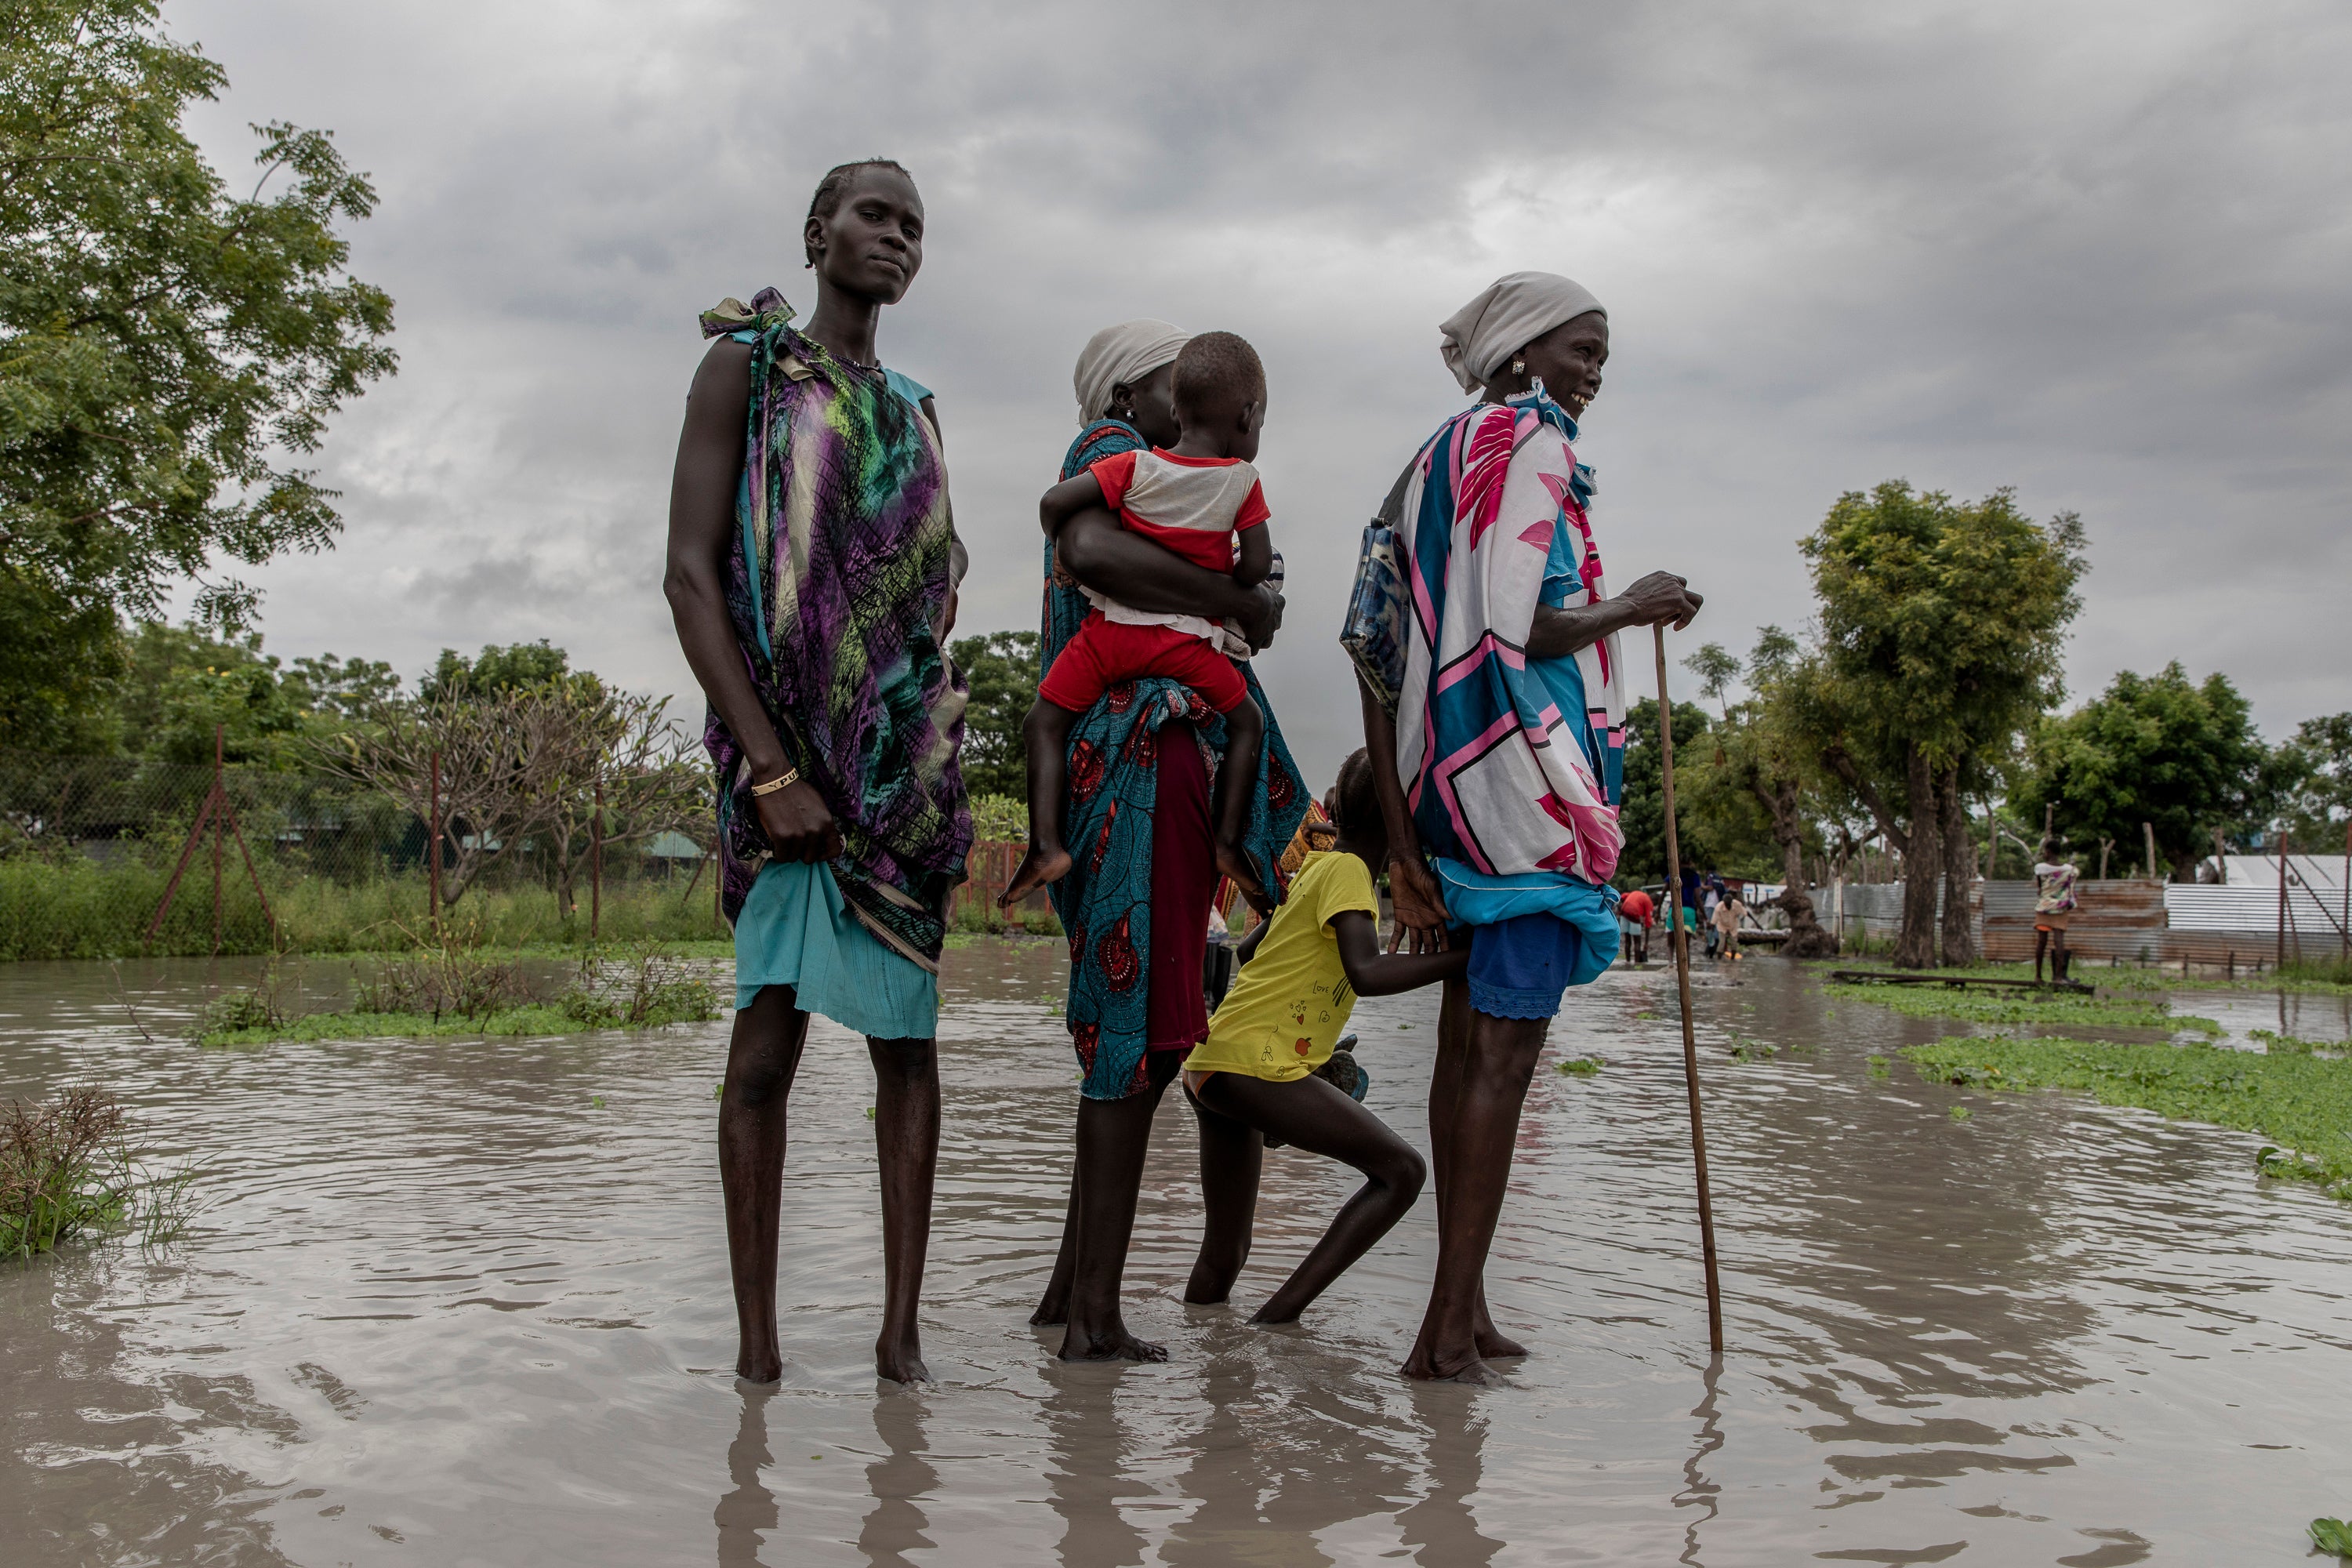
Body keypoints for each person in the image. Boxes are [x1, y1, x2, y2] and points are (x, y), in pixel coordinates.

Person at [1356, 271, 1704, 1383]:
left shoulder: (1430, 463)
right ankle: (1446, 1335)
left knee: (1467, 1058)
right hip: (1525, 803)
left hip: (1452, 800)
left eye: (1605, 353)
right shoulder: (1533, 446)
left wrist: (1407, 839)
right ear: (1519, 355)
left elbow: (1373, 645)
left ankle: (1466, 1309)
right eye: (1580, 348)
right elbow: (1524, 625)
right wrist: (1634, 604)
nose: (1595, 370)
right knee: (1501, 1067)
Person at [663, 159, 969, 1385]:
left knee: (910, 1051)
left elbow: (938, 578)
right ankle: (758, 1356)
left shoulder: (920, 407)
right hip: (782, 768)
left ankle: (901, 1343)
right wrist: (772, 767)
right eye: (873, 216)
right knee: (763, 1055)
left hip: (900, 770)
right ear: (816, 232)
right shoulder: (744, 368)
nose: (894, 238)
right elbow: (693, 576)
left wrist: (909, 724)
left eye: (913, 226)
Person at [1025, 320, 1312, 1361]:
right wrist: (1235, 600)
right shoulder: (1107, 456)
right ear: (1127, 397)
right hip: (1139, 764)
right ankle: (1095, 1318)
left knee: (1134, 1024)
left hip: (1131, 768)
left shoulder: (1167, 485)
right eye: (1167, 391)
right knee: (1132, 1031)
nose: (1183, 413)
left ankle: (1071, 1294)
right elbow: (1088, 547)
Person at [1181, 750, 1461, 1323]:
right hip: (1257, 1065)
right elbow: (1367, 972)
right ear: (1398, 824)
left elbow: (1253, 949)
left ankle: (1207, 1350)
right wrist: (1463, 958)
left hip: (1214, 1058)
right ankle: (1277, 1320)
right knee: (1402, 1172)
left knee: (1227, 1249)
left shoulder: (1320, 866)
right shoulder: (1351, 872)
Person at [1005, 332, 1274, 909]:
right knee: (1249, 724)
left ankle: (1043, 845)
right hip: (1186, 652)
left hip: (1111, 641)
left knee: (1042, 722)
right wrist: (1243, 595)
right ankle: (1230, 845)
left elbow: (1055, 508)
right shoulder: (1120, 445)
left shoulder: (1134, 468)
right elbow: (1252, 569)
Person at [2033, 842, 2078, 982]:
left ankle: (2038, 976)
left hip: (2044, 909)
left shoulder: (2040, 868)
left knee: (2042, 942)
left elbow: (2040, 888)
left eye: (2045, 851)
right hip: (2061, 909)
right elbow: (2070, 887)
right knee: (2059, 942)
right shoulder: (2070, 870)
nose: (2044, 854)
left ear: (2049, 851)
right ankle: (2058, 977)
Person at [1617, 885, 1655, 965]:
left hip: (1624, 913)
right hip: (1634, 914)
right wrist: (1646, 943)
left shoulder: (1635, 893)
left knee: (1628, 941)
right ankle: (1637, 964)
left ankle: (1627, 962)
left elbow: (1623, 896)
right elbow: (1648, 922)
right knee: (1637, 941)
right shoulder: (1648, 902)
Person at [1714, 891, 1744, 962]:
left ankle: (1732, 959)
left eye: (1729, 905)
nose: (1727, 906)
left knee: (1734, 943)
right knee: (1721, 943)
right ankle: (1719, 959)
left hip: (1732, 925)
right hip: (1722, 925)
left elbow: (1745, 913)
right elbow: (1714, 919)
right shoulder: (1719, 907)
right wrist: (1711, 926)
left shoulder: (1737, 905)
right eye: (1726, 905)